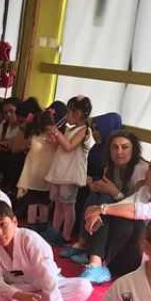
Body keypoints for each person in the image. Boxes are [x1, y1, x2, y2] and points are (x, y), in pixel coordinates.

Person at [79, 150, 151, 284]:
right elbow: (121, 204)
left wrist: (102, 209)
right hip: (125, 252)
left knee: (131, 220)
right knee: (108, 205)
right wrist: (97, 211)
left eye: (150, 168)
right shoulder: (146, 191)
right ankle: (95, 263)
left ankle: (98, 262)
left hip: (146, 256)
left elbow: (143, 211)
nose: (146, 171)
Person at [0, 200, 93, 301]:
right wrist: (20, 295)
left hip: (48, 286)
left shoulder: (29, 239)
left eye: (3, 224)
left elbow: (48, 277)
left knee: (83, 287)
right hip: (20, 289)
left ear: (14, 222)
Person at [63, 131, 147, 259]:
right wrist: (95, 185)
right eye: (115, 147)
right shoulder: (110, 166)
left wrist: (114, 192)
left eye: (124, 147)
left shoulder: (140, 170)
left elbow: (137, 206)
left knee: (104, 199)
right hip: (116, 206)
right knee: (96, 195)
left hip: (135, 217)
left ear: (134, 150)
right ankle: (83, 244)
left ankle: (94, 255)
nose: (119, 152)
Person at [44, 96, 93, 242]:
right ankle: (54, 231)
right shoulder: (69, 129)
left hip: (70, 174)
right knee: (58, 203)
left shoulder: (84, 131)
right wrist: (53, 138)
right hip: (60, 171)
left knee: (68, 205)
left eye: (69, 112)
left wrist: (57, 133)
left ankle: (66, 235)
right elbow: (59, 147)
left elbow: (69, 147)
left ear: (77, 113)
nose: (66, 115)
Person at [16, 110, 58, 224]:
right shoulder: (37, 137)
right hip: (38, 176)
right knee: (37, 203)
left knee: (38, 203)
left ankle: (37, 225)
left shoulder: (51, 137)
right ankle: (36, 225)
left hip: (42, 176)